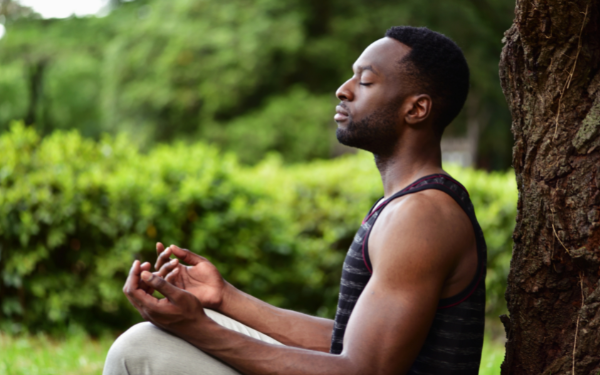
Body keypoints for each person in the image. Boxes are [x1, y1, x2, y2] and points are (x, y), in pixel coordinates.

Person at [104, 26, 487, 375]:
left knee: (141, 349)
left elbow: (363, 370)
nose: (344, 89)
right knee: (157, 339)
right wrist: (223, 298)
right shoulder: (409, 204)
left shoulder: (421, 216)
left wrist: (198, 328)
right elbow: (348, 342)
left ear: (416, 109)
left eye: (365, 81)